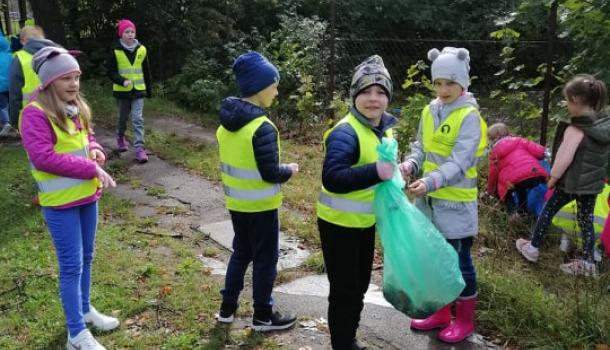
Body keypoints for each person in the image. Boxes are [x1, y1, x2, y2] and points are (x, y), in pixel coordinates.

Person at [19, 47, 118, 350]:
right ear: (49, 81)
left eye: (76, 77)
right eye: (66, 78)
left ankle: (85, 310)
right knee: (71, 266)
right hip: (60, 205)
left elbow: (84, 138)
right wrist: (90, 167)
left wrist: (96, 148)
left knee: (87, 257)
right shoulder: (34, 114)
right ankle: (75, 334)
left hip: (88, 196)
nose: (74, 84)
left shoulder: (76, 107)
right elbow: (44, 157)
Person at [399, 47, 487, 343]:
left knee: (458, 262)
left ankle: (464, 320)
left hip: (455, 205)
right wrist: (410, 165)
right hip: (429, 201)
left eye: (450, 83)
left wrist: (430, 181)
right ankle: (439, 312)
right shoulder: (430, 110)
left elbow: (460, 162)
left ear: (463, 82)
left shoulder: (469, 116)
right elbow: (421, 148)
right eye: (438, 83)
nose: (443, 89)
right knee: (435, 259)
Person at [316, 55, 396, 350]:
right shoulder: (345, 133)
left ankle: (348, 339)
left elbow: (383, 171)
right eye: (365, 92)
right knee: (344, 291)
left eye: (380, 92)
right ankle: (342, 344)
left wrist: (398, 175)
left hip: (364, 223)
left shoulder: (381, 129)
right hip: (339, 226)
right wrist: (376, 171)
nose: (373, 99)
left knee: (359, 286)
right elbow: (333, 178)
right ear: (354, 96)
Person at [215, 51, 299, 332]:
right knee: (265, 261)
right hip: (262, 208)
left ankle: (227, 309)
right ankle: (263, 315)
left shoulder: (224, 126)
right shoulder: (262, 127)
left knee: (240, 253)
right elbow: (270, 172)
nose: (277, 91)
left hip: (237, 205)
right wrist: (290, 169)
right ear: (260, 87)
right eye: (274, 85)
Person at [516, 74, 610, 276]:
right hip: (592, 184)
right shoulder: (602, 126)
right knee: (586, 219)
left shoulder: (577, 129)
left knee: (548, 210)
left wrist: (553, 178)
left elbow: (563, 158)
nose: (566, 105)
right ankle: (587, 261)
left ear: (575, 100)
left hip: (571, 183)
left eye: (567, 101)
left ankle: (533, 248)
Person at [106, 18, 152, 163]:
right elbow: (110, 72)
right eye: (127, 32)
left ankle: (139, 149)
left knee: (138, 119)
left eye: (132, 31)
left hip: (138, 91)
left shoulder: (142, 49)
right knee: (122, 118)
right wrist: (122, 80)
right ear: (121, 34)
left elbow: (146, 71)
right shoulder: (115, 51)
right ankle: (120, 137)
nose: (130, 34)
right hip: (122, 92)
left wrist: (149, 90)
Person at [486, 122, 549, 218]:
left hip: (514, 181)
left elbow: (493, 175)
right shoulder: (520, 141)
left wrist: (490, 191)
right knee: (523, 189)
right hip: (536, 173)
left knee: (507, 192)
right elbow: (540, 151)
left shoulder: (495, 153)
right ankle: (527, 212)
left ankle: (513, 215)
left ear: (494, 139)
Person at [7, 26, 58, 135]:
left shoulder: (19, 59)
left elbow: (15, 92)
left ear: (23, 41)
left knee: (38, 147)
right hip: (59, 109)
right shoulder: (58, 52)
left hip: (32, 115)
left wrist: (15, 121)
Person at [0, 33, 11, 135]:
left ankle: (6, 122)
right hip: (10, 84)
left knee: (2, 105)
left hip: (0, 87)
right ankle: (13, 122)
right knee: (10, 102)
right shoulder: (9, 55)